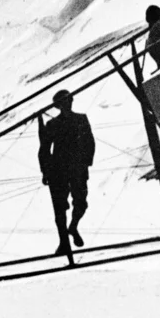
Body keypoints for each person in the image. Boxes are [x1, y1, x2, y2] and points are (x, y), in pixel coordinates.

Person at [38, 89, 95, 254]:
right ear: (59, 106)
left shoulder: (81, 119)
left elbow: (90, 142)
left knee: (81, 203)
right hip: (59, 170)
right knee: (60, 208)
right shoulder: (52, 124)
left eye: (68, 100)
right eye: (63, 102)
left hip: (77, 168)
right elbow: (44, 149)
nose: (67, 104)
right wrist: (46, 171)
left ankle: (73, 227)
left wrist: (85, 163)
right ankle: (64, 242)